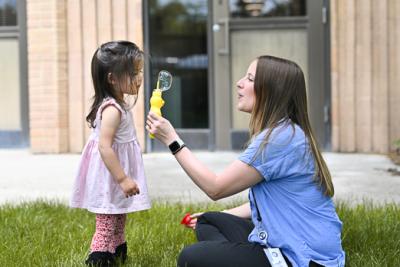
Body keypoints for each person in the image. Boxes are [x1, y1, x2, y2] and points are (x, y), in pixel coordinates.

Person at [146, 55, 345, 267]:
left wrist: (171, 140)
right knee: (208, 221)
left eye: (250, 79)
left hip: (303, 259)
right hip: (282, 241)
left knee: (191, 258)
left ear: (271, 91)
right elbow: (268, 203)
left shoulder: (280, 140)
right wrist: (217, 215)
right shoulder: (283, 132)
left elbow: (215, 188)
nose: (240, 83)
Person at [70, 41, 151, 266]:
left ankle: (117, 248)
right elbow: (104, 147)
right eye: (133, 72)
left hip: (114, 172)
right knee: (108, 217)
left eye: (139, 71)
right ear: (112, 78)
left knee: (118, 214)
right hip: (111, 174)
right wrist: (123, 178)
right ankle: (100, 255)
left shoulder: (119, 105)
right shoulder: (112, 110)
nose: (139, 77)